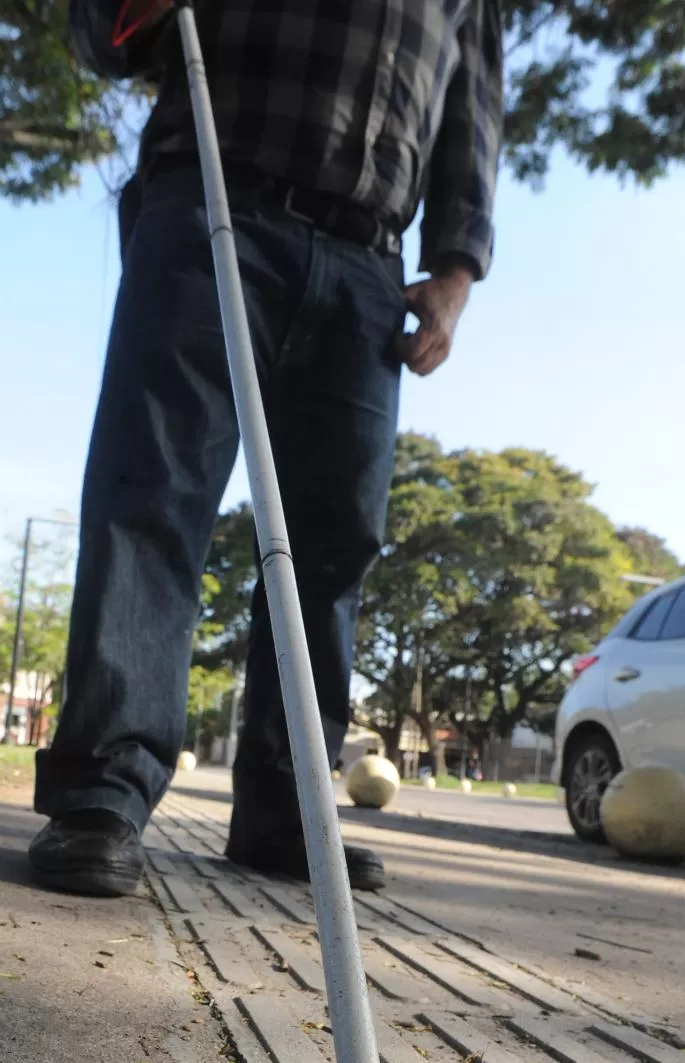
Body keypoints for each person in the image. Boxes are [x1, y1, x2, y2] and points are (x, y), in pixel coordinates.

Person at [30, 0, 503, 897]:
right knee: (153, 492)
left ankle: (288, 809)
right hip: (211, 204)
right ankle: (102, 793)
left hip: (369, 265)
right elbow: (102, 35)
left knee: (332, 540)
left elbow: (471, 124)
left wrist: (454, 274)